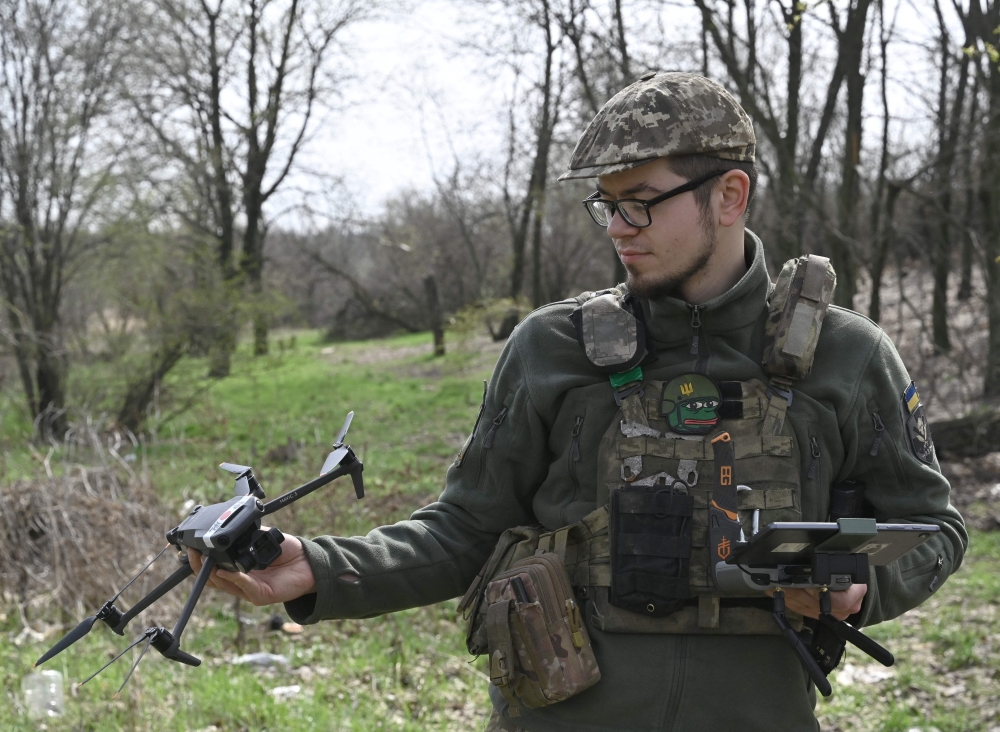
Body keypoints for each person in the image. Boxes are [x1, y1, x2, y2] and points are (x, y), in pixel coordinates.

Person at [191, 72, 967, 731]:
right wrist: (318, 568)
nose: (618, 230)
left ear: (730, 195)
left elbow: (934, 526)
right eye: (605, 205)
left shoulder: (847, 355)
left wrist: (863, 589)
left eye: (641, 202)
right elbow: (467, 527)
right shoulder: (550, 347)